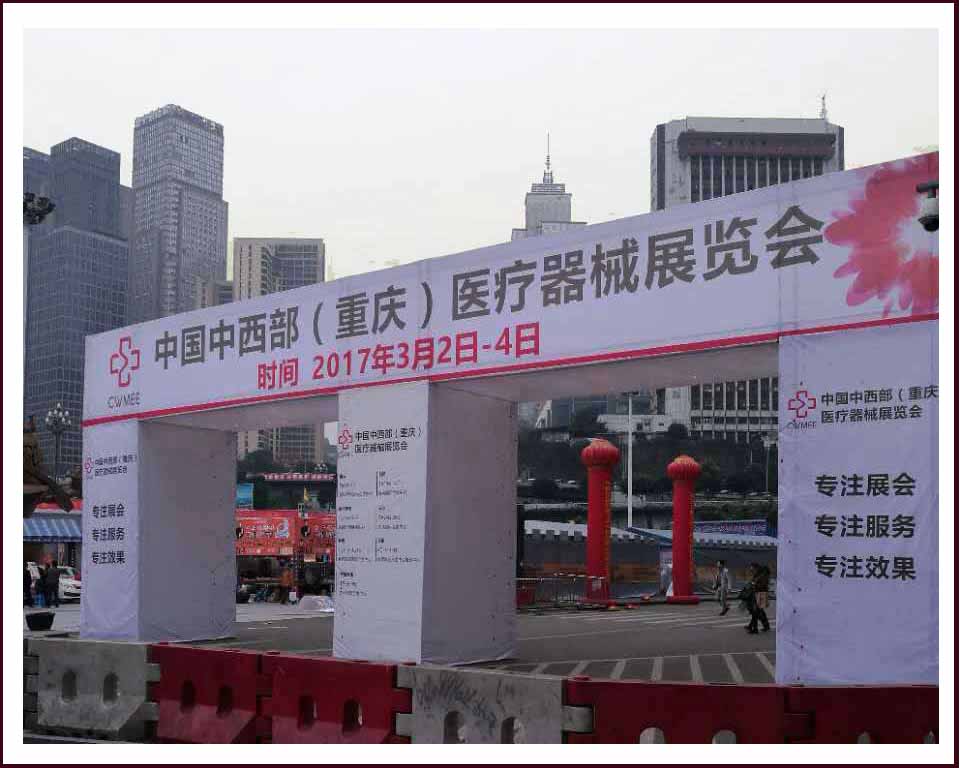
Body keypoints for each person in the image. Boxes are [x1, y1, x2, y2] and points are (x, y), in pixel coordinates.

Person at [746, 563, 771, 634]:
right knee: (758, 611)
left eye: (752, 569)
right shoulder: (758, 574)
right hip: (758, 593)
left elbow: (762, 584)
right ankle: (763, 626)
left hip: (761, 594)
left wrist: (754, 584)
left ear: (755, 567)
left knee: (756, 612)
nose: (751, 570)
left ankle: (755, 629)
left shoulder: (762, 575)